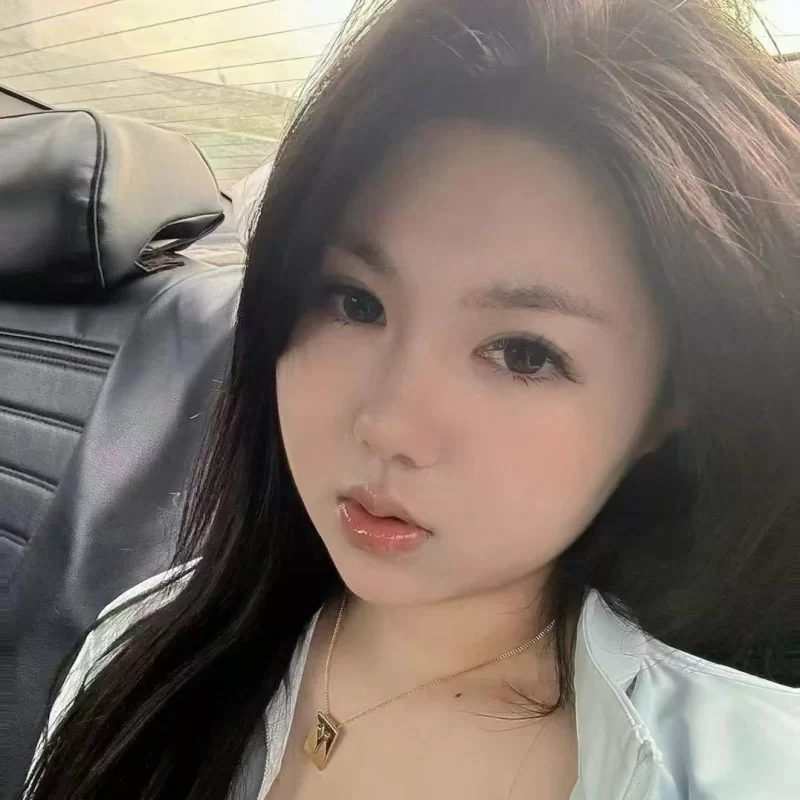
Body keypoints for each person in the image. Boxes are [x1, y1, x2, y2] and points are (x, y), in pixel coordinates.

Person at [23, 1, 800, 798]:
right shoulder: (141, 650)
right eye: (355, 302)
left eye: (524, 354)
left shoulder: (753, 773)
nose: (389, 426)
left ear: (669, 404)